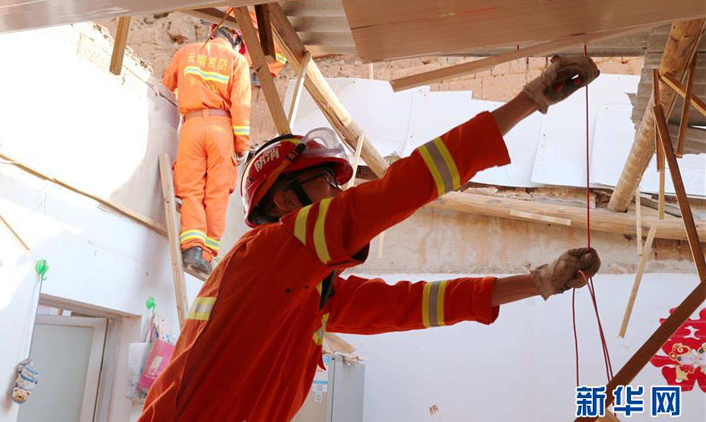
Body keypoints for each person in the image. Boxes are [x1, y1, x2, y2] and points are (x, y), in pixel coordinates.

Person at [140, 56, 602, 422]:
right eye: (327, 182)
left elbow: (416, 305)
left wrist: (541, 282)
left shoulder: (306, 293)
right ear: (285, 200)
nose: (339, 194)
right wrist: (528, 101)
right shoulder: (269, 252)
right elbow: (401, 189)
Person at [162, 22, 252, 275]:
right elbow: (241, 106)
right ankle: (206, 254)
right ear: (237, 41)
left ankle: (191, 247)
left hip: (191, 127)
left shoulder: (186, 53)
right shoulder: (237, 61)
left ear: (213, 32)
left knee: (190, 189)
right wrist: (242, 145)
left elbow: (166, 86)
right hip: (221, 129)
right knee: (217, 193)